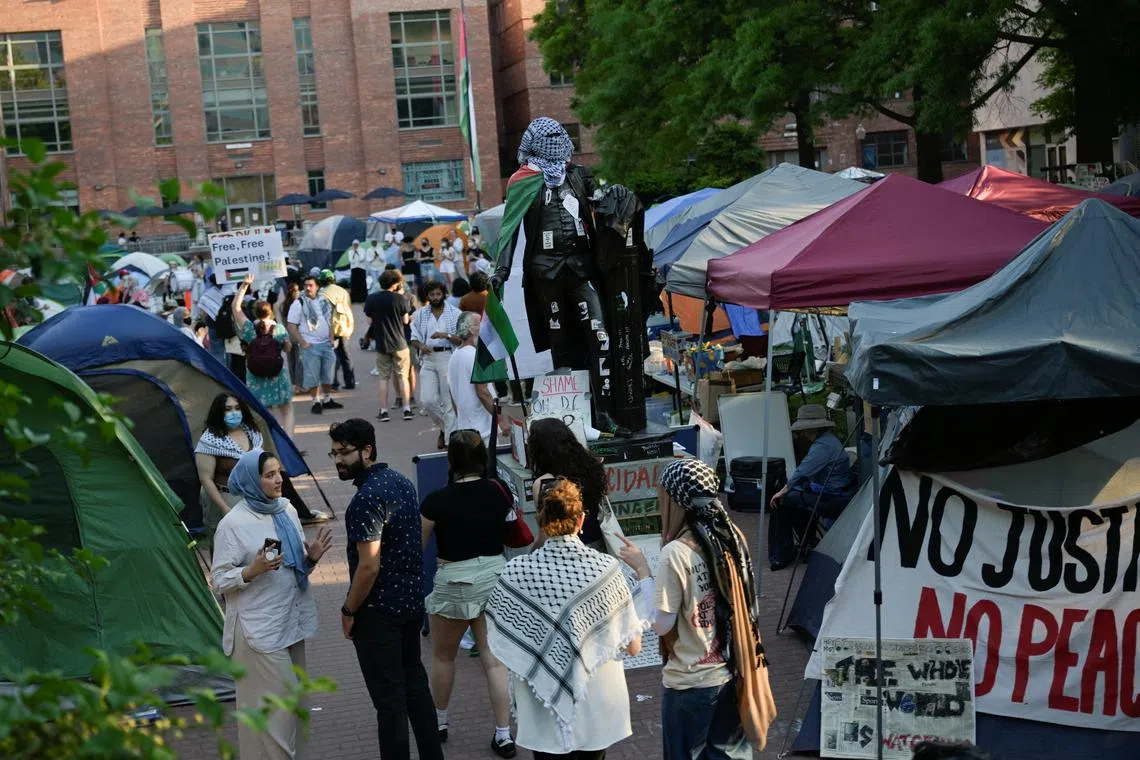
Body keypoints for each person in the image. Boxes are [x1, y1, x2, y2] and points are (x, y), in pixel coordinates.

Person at [619, 458, 773, 760]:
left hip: (690, 681)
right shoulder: (731, 537)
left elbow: (661, 624)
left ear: (675, 501)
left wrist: (642, 571)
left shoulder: (675, 552)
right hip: (733, 670)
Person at [486, 478, 642, 759]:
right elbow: (633, 646)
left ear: (541, 521)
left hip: (541, 706)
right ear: (581, 519)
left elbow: (500, 643)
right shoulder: (606, 570)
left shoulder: (516, 572)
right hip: (595, 704)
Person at [330, 419, 444, 760]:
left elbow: (368, 566)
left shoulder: (366, 499)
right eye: (334, 452)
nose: (337, 460)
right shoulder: (401, 482)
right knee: (415, 688)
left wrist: (349, 610)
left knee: (389, 702)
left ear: (367, 451)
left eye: (344, 452)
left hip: (378, 614)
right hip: (410, 604)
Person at [210, 450, 333, 760]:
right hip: (257, 630)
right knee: (279, 714)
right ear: (252, 480)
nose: (279, 479)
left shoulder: (286, 509)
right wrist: (251, 571)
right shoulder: (233, 523)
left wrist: (312, 558)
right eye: (269, 475)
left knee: (290, 713)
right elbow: (218, 581)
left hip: (290, 622)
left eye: (279, 473)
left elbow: (294, 568)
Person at [420, 430, 514, 755]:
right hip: (494, 575)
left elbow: (419, 544)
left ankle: (440, 723)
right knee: (494, 659)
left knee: (444, 655)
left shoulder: (435, 501)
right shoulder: (498, 492)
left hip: (453, 581)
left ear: (451, 461)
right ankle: (504, 733)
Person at [768, 404, 856, 571]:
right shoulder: (828, 440)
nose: (802, 432)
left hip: (835, 499)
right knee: (793, 499)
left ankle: (782, 555)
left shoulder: (823, 447)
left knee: (781, 501)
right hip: (838, 494)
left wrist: (781, 492)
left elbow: (802, 471)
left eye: (805, 429)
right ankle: (805, 543)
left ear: (813, 428)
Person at [195, 393, 264, 550]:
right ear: (219, 412)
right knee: (225, 548)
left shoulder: (253, 433)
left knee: (253, 546)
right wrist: (224, 508)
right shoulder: (210, 440)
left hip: (251, 497)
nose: (234, 413)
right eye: (228, 409)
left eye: (237, 408)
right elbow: (206, 479)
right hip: (223, 498)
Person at [527, 418, 607, 548]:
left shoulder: (544, 483)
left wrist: (531, 555)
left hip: (561, 551)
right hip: (596, 545)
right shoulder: (592, 467)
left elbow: (544, 534)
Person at [233, 274, 295, 437]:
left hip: (256, 377)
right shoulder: (279, 329)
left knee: (264, 413)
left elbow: (236, 308)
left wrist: (244, 286)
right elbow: (288, 348)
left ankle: (270, 441)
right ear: (270, 312)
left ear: (254, 313)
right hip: (277, 376)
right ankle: (289, 441)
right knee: (287, 410)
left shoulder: (249, 329)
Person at [410, 281, 461, 450]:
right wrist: (421, 346)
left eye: (438, 294)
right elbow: (414, 338)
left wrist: (445, 335)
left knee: (448, 402)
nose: (435, 298)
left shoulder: (454, 313)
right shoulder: (421, 314)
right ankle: (444, 428)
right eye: (432, 295)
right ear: (427, 296)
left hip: (448, 356)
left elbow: (461, 338)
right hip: (428, 358)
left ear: (443, 294)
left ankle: (450, 442)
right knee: (427, 400)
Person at [286, 275, 343, 415]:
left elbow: (329, 320)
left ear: (317, 287)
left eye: (311, 285)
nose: (308, 288)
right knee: (312, 376)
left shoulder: (324, 301)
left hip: (326, 344)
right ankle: (316, 401)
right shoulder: (298, 303)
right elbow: (291, 326)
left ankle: (328, 399)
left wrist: (331, 338)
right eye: (305, 285)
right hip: (310, 345)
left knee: (328, 374)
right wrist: (303, 343)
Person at [364, 269, 414, 422]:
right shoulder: (400, 299)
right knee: (402, 376)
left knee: (383, 378)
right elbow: (406, 321)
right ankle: (407, 408)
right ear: (395, 283)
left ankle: (384, 410)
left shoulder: (372, 298)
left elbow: (369, 321)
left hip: (382, 343)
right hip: (399, 342)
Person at [446, 311, 498, 445]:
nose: (483, 327)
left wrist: (461, 419)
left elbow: (452, 393)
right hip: (483, 430)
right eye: (479, 324)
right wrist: (500, 417)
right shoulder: (475, 355)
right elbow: (483, 392)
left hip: (466, 429)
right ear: (470, 330)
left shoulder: (454, 356)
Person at [319, 269, 356, 391]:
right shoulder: (343, 291)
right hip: (344, 327)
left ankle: (333, 383)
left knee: (331, 356)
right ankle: (350, 381)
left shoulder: (322, 293)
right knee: (346, 355)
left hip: (330, 328)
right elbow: (348, 307)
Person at [278, 281, 304, 389]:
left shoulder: (282, 305)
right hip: (297, 334)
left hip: (287, 335)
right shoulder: (298, 304)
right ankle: (299, 384)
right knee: (299, 361)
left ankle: (293, 383)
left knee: (291, 361)